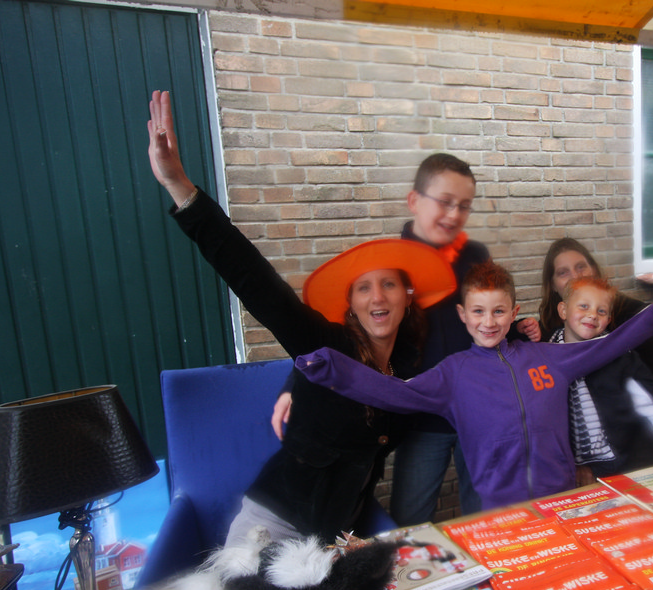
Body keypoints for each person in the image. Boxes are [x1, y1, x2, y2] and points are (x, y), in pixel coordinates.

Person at [146, 90, 456, 545]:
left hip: (340, 534)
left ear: (408, 296)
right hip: (276, 525)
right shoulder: (325, 348)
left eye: (389, 284)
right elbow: (256, 283)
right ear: (350, 304)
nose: (377, 297)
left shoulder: (409, 360)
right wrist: (180, 187)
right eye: (363, 288)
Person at [272, 153, 540, 526]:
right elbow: (340, 333)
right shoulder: (392, 262)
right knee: (410, 516)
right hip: (420, 415)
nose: (454, 214)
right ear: (414, 201)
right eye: (444, 201)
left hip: (477, 409)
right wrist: (297, 382)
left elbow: (486, 309)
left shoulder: (475, 255)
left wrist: (518, 325)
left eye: (464, 206)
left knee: (486, 514)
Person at [296, 261, 653, 510]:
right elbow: (394, 391)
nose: (488, 322)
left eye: (498, 311)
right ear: (463, 315)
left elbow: (610, 345)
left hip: (562, 498)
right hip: (499, 508)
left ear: (513, 313)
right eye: (478, 311)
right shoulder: (452, 374)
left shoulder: (549, 357)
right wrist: (332, 369)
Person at [551, 276, 653, 486]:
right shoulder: (545, 360)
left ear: (608, 319)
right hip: (569, 472)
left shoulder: (622, 358)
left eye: (601, 311)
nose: (592, 315)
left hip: (624, 463)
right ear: (563, 310)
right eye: (584, 306)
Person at [537, 238, 653, 409]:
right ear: (553, 285)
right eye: (563, 272)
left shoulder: (636, 318)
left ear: (594, 270)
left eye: (581, 267)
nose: (575, 276)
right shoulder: (547, 328)